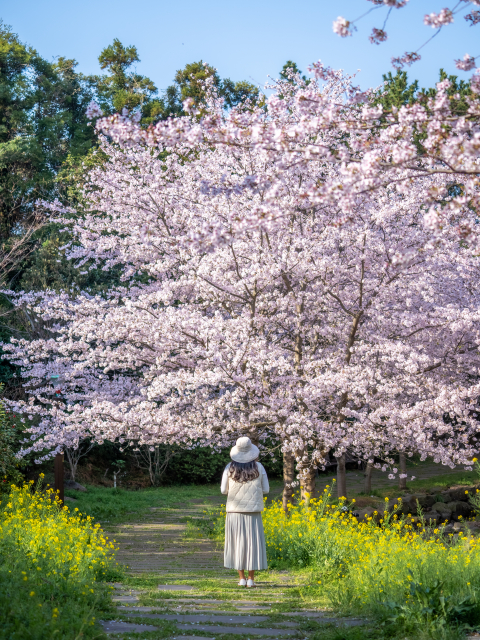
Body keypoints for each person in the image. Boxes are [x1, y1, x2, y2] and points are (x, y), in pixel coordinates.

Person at [221, 436, 269, 587]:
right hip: (253, 512)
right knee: (252, 545)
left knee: (237, 544)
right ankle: (251, 579)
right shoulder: (259, 467)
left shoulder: (229, 468)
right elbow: (266, 489)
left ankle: (241, 579)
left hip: (234, 513)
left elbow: (223, 490)